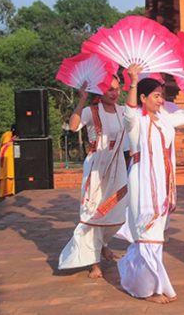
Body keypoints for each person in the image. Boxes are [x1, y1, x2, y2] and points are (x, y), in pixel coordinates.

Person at [117, 64, 184, 304]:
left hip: (163, 183)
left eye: (161, 95)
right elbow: (130, 112)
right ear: (143, 98)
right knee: (148, 235)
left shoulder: (163, 118)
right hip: (143, 182)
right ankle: (148, 290)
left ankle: (135, 274)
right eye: (156, 96)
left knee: (154, 237)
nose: (161, 100)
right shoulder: (136, 121)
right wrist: (132, 81)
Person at [58, 78, 128, 279]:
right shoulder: (91, 111)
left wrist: (133, 82)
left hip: (118, 167)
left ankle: (102, 243)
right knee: (92, 213)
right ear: (100, 91)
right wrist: (82, 100)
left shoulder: (123, 111)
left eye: (116, 89)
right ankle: (93, 262)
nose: (113, 93)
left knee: (116, 212)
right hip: (97, 167)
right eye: (109, 89)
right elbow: (73, 126)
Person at [0, 125, 17, 198]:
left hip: (6, 155)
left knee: (9, 174)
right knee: (9, 174)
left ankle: (9, 192)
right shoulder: (8, 134)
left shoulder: (8, 135)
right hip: (7, 155)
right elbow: (5, 143)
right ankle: (8, 192)